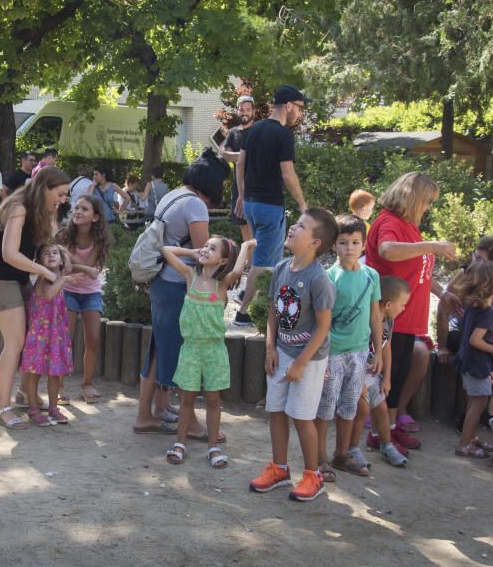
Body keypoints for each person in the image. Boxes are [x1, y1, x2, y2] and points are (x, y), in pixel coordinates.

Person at [132, 149, 229, 437]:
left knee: (158, 349)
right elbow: (203, 253)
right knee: (178, 353)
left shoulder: (174, 194)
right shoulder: (196, 205)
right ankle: (189, 424)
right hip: (176, 284)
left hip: (161, 280)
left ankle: (155, 410)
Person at [250, 208, 337, 502]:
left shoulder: (319, 280)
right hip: (282, 353)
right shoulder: (282, 268)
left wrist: (300, 363)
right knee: (276, 410)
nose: (293, 228)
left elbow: (324, 327)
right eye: (296, 224)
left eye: (301, 226)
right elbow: (274, 313)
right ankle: (279, 468)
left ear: (315, 242)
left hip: (309, 360)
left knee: (301, 417)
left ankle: (313, 475)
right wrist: (270, 347)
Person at [365, 172, 455, 444]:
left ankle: (389, 428)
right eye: (427, 201)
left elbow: (419, 270)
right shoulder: (388, 222)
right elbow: (388, 251)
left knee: (399, 374)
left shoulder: (409, 226)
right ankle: (381, 433)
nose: (428, 208)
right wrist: (433, 245)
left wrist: (443, 292)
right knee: (387, 378)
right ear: (413, 198)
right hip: (392, 317)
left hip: (408, 318)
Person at [0, 166, 70, 429]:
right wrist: (44, 271)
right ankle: (2, 407)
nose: (63, 200)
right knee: (16, 341)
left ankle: (23, 393)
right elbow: (9, 254)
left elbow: (45, 244)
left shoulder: (40, 211)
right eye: (61, 193)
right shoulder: (19, 208)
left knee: (34, 337)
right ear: (45, 187)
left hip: (18, 279)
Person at [161, 237, 255, 468]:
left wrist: (244, 247)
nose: (205, 249)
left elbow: (238, 268)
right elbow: (166, 250)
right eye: (206, 245)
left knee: (213, 400)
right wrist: (192, 252)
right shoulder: (189, 277)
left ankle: (213, 446)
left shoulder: (222, 285)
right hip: (190, 350)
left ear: (223, 260)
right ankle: (180, 443)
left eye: (212, 248)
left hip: (214, 352)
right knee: (186, 400)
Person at [232, 84, 309, 327]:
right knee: (265, 262)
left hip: (252, 204)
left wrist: (242, 196)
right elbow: (288, 174)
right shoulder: (283, 134)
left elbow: (240, 165)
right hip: (269, 205)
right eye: (299, 108)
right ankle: (244, 312)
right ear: (288, 106)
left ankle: (250, 296)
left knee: (261, 256)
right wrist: (303, 205)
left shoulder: (252, 131)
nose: (300, 113)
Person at [315, 215, 382, 481]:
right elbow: (322, 318)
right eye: (344, 243)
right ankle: (319, 458)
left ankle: (341, 454)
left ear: (364, 245)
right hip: (332, 354)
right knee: (325, 407)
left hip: (360, 353)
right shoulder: (329, 277)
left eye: (355, 242)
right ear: (334, 246)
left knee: (349, 406)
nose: (350, 248)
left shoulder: (372, 276)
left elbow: (376, 315)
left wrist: (377, 351)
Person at [438, 236, 493, 389]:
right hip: (469, 333)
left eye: (480, 259)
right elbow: (443, 309)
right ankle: (474, 405)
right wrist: (442, 346)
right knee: (473, 364)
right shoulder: (467, 272)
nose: (475, 262)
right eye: (475, 256)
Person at [448, 260, 493, 458]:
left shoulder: (471, 307)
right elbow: (476, 340)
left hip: (467, 361)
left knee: (473, 402)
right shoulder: (488, 313)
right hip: (477, 363)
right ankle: (464, 444)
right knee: (479, 403)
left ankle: (470, 437)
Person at [56, 195, 113, 403]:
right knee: (65, 338)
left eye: (84, 209)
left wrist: (80, 268)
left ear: (96, 217)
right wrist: (82, 268)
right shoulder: (64, 236)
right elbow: (66, 266)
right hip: (67, 289)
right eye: (76, 208)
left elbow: (91, 269)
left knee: (93, 339)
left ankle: (87, 384)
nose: (77, 212)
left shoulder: (99, 239)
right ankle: (59, 386)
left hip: (90, 292)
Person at [351, 276, 411, 467]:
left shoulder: (389, 322)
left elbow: (387, 349)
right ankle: (352, 449)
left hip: (374, 375)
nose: (404, 308)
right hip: (358, 373)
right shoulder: (364, 319)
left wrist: (387, 378)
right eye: (402, 304)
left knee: (382, 410)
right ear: (388, 304)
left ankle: (386, 445)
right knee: (361, 412)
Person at [19, 242, 75, 426]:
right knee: (35, 373)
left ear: (61, 258)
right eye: (45, 253)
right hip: (40, 335)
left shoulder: (58, 276)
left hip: (55, 334)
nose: (51, 256)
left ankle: (53, 408)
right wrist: (65, 279)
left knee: (55, 374)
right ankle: (33, 409)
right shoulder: (45, 280)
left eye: (55, 253)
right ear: (38, 261)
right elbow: (50, 295)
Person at [219, 95, 257, 244]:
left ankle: (257, 265)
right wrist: (241, 156)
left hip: (256, 186)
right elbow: (223, 154)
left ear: (253, 111)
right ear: (237, 111)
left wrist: (234, 155)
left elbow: (255, 157)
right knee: (243, 226)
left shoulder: (258, 130)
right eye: (242, 109)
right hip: (238, 185)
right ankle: (248, 262)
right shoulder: (233, 132)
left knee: (254, 227)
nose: (245, 113)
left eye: (248, 109)